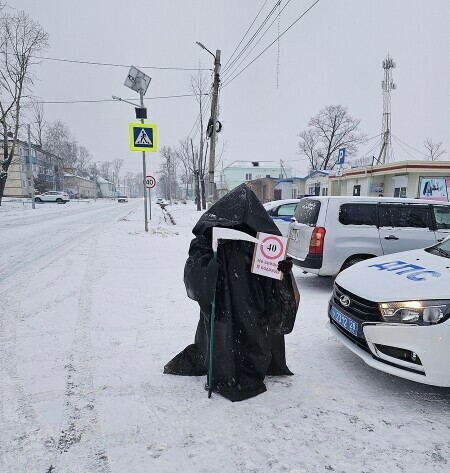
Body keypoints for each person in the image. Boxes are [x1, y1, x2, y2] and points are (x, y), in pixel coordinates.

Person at [164, 184, 299, 401]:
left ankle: (247, 364)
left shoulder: (264, 236)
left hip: (252, 305)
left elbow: (277, 277)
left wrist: (283, 269)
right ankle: (224, 365)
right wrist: (211, 267)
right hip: (225, 305)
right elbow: (194, 271)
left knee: (250, 336)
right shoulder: (209, 237)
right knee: (225, 338)